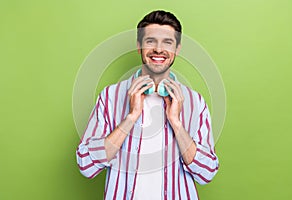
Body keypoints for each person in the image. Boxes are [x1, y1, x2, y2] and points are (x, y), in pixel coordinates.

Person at [76, 10, 219, 200]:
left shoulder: (196, 102)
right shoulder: (110, 96)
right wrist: (131, 117)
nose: (158, 49)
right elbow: (86, 165)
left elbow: (207, 172)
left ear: (177, 49)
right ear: (139, 47)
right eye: (150, 41)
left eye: (167, 42)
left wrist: (176, 123)